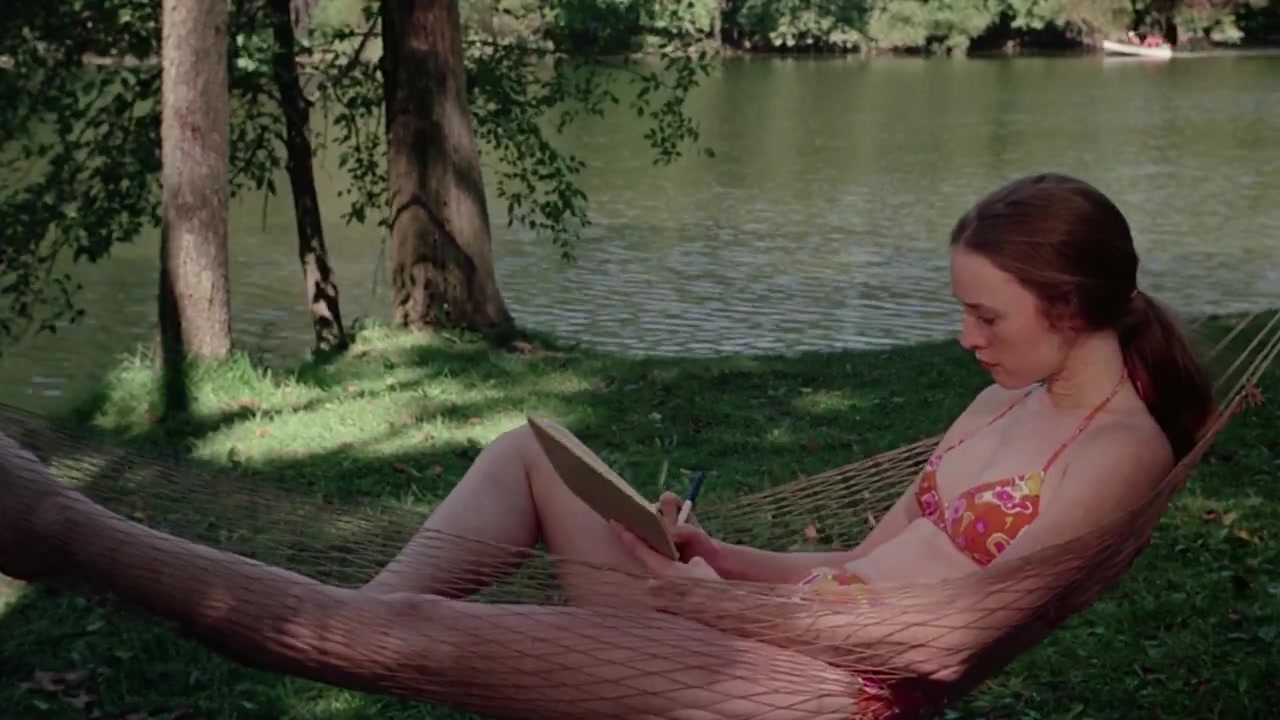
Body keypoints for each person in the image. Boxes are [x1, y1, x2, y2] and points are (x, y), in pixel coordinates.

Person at [0, 173, 1215, 720]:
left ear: (1071, 304)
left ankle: (62, 532)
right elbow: (857, 564)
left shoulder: (1114, 455)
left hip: (819, 694)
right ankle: (348, 629)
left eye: (984, 316)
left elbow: (942, 645)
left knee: (399, 635)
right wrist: (718, 560)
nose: (961, 338)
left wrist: (719, 610)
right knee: (532, 448)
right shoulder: (1002, 403)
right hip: (766, 629)